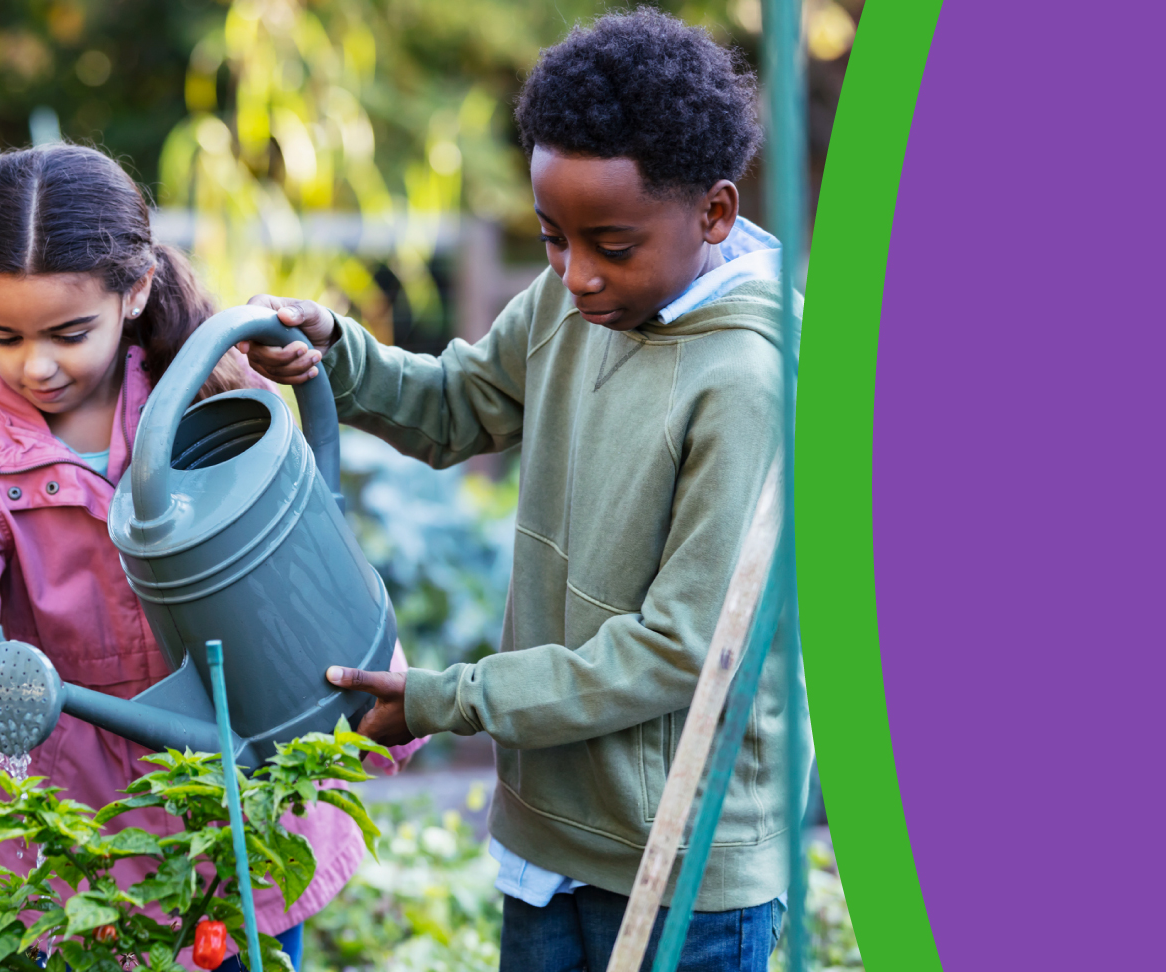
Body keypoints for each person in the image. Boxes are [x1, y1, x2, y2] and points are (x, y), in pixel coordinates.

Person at [239, 10, 806, 972]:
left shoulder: (749, 383)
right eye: (552, 238)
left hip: (685, 864)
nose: (577, 275)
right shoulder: (573, 302)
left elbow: (679, 651)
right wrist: (335, 354)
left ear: (713, 214)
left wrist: (446, 699)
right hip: (549, 834)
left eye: (611, 246)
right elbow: (461, 404)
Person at [0, 144, 423, 972]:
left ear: (133, 291)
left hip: (248, 808)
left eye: (68, 332)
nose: (38, 364)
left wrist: (380, 694)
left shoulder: (211, 394)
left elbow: (301, 567)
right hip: (89, 832)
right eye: (5, 337)